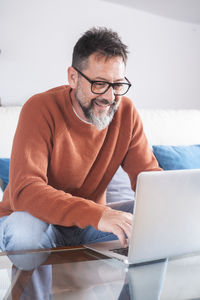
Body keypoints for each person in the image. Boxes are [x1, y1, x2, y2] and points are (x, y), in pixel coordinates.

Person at [0, 27, 161, 253]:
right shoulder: (39, 108)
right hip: (33, 220)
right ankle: (36, 290)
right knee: (26, 234)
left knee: (159, 219)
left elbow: (149, 179)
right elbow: (26, 190)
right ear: (73, 77)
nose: (109, 96)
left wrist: (173, 207)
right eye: (99, 83)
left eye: (117, 84)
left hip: (88, 224)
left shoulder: (126, 112)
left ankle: (135, 289)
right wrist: (98, 214)